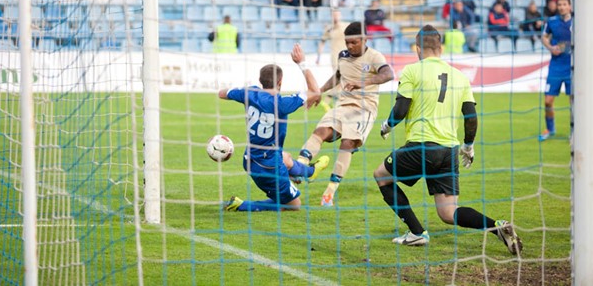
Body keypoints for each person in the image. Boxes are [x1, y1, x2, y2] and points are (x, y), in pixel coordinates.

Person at [374, 25, 523, 254]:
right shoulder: (459, 76)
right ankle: (497, 227)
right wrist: (468, 146)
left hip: (421, 146)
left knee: (381, 176)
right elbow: (470, 116)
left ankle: (417, 232)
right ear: (441, 48)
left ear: (417, 48)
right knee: (447, 212)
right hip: (448, 151)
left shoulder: (412, 71)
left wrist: (387, 125)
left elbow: (401, 108)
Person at [295, 22, 395, 206]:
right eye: (347, 42)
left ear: (365, 39)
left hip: (364, 109)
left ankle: (329, 193)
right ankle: (298, 168)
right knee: (320, 132)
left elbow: (389, 74)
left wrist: (362, 82)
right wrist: (320, 92)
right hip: (342, 105)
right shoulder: (343, 55)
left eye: (354, 42)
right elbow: (338, 76)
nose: (349, 46)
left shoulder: (374, 56)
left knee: (347, 143)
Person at [222, 44, 330, 212]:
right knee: (294, 205)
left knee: (285, 157)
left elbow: (222, 93)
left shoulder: (249, 93)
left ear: (260, 81)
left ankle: (310, 172)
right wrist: (301, 62)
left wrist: (239, 92)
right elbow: (315, 91)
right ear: (280, 82)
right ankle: (242, 205)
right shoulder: (282, 103)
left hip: (250, 158)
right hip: (268, 167)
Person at [539, 0, 572, 141]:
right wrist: (551, 48)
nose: (562, 7)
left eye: (565, 4)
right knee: (547, 101)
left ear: (570, 6)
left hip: (572, 67)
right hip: (556, 67)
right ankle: (550, 129)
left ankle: (575, 132)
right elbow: (544, 37)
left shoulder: (578, 21)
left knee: (574, 101)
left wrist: (566, 47)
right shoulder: (552, 21)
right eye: (560, 4)